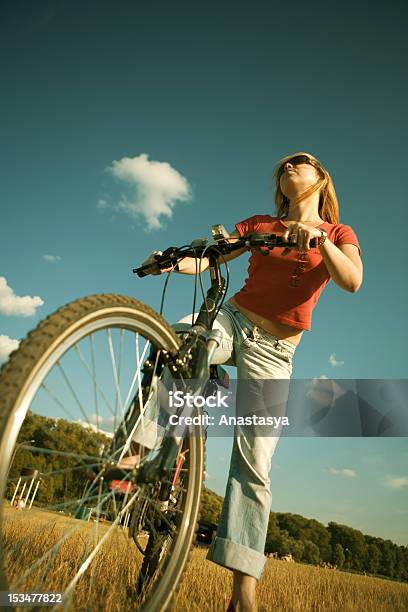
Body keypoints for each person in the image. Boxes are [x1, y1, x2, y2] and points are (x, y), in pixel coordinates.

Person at [133, 152, 363, 612]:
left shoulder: (339, 233)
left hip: (276, 351)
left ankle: (243, 590)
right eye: (283, 167)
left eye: (299, 162)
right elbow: (209, 259)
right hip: (233, 318)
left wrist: (320, 241)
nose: (288, 168)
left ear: (321, 177)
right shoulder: (261, 224)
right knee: (177, 339)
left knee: (254, 460)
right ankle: (135, 453)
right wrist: (170, 261)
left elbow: (351, 280)